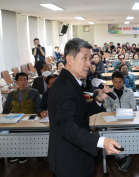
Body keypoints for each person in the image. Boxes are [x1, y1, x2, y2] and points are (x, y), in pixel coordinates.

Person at [48, 38, 121, 177]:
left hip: (75, 155)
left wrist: (98, 100)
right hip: (70, 161)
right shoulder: (64, 87)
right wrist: (102, 141)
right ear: (69, 59)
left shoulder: (71, 82)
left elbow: (79, 112)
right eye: (85, 58)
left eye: (90, 58)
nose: (90, 63)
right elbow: (67, 127)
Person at [3, 72, 41, 164]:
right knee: (9, 132)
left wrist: (32, 119)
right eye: (20, 80)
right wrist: (3, 120)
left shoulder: (34, 92)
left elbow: (38, 108)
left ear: (27, 81)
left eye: (25, 80)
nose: (23, 82)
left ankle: (24, 153)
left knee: (24, 132)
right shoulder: (11, 95)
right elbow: (6, 110)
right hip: (15, 120)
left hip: (29, 120)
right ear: (16, 82)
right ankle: (15, 152)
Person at [104, 71, 135, 171]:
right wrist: (113, 113)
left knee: (127, 134)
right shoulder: (108, 93)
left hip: (127, 120)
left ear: (123, 81)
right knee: (113, 133)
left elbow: (133, 107)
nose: (117, 84)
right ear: (112, 82)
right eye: (115, 82)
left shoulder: (129, 92)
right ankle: (122, 158)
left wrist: (126, 113)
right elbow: (107, 107)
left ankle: (120, 158)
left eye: (120, 82)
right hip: (114, 121)